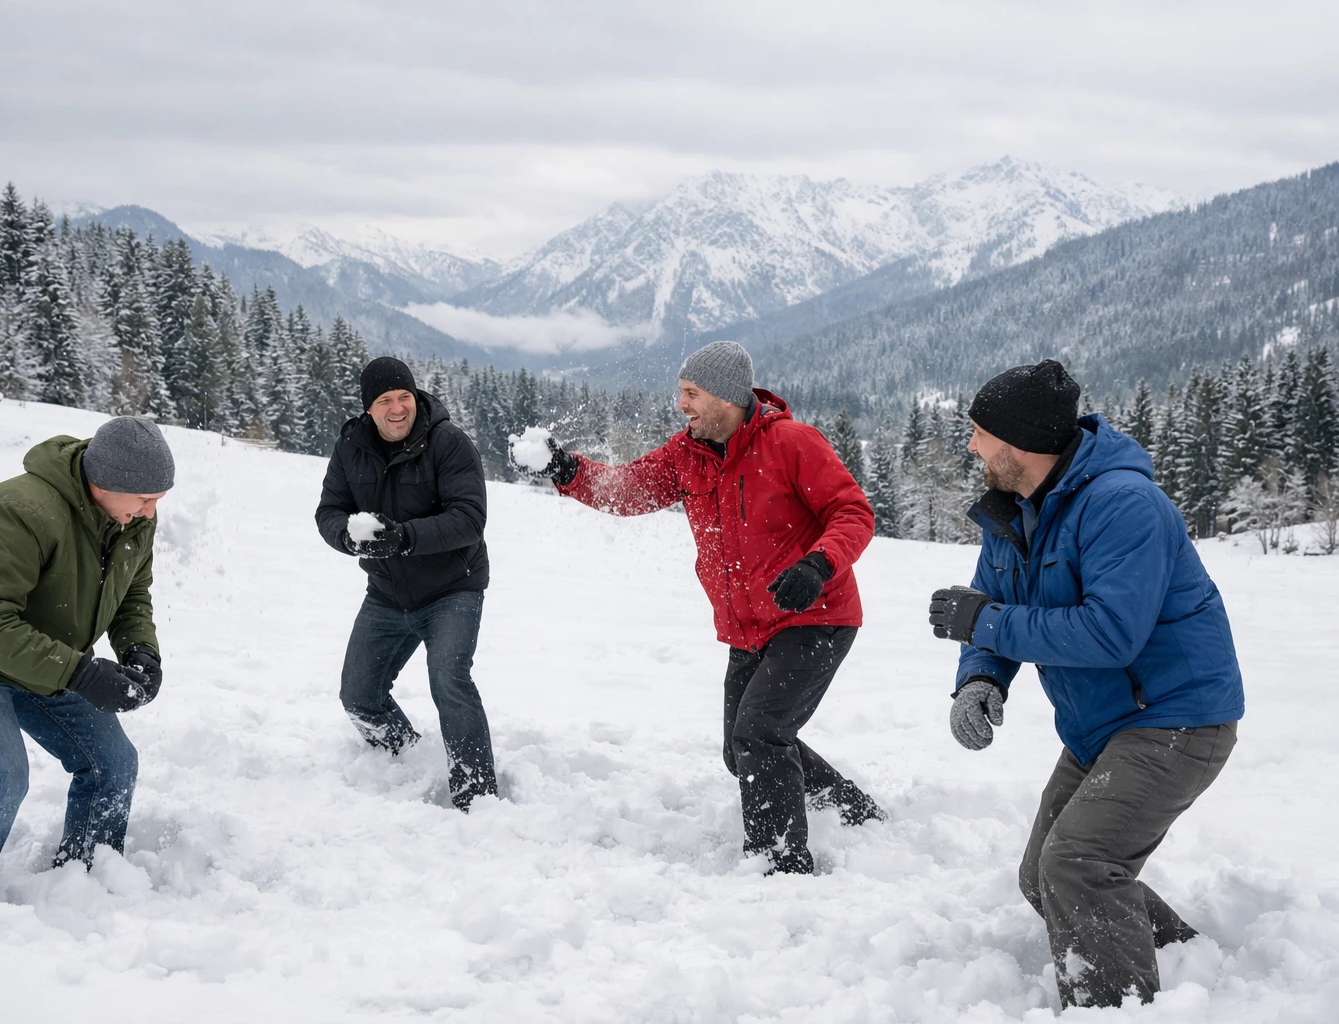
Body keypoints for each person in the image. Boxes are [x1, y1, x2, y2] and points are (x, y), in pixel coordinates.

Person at [928, 359, 1244, 1008]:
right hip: (1104, 722)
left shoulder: (1124, 507)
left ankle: (1115, 1008)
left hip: (1176, 720)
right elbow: (995, 600)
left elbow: (1108, 635)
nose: (971, 446)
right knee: (1043, 875)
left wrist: (986, 623)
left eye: (979, 433)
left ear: (1020, 444)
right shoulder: (1017, 507)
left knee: (1076, 864)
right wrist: (980, 677)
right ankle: (1183, 958)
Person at [523, 340, 882, 875]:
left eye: (692, 393)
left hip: (816, 615)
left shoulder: (791, 443)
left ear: (728, 397)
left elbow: (852, 512)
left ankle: (778, 864)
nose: (682, 404)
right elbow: (631, 489)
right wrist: (566, 468)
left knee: (758, 733)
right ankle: (851, 809)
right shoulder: (685, 455)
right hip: (748, 626)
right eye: (680, 393)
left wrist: (816, 566)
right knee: (741, 750)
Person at [0, 416, 175, 902]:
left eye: (158, 500)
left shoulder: (129, 520)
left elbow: (132, 593)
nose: (151, 513)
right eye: (145, 499)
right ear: (104, 483)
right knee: (0, 779)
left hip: (38, 651)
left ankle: (83, 878)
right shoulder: (23, 509)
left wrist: (141, 650)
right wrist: (81, 673)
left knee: (112, 763)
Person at [316, 356, 498, 811]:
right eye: (385, 401)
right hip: (387, 593)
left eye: (405, 397)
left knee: (449, 680)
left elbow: (469, 520)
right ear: (368, 409)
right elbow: (329, 511)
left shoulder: (449, 443)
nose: (398, 408)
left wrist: (403, 538)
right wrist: (349, 537)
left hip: (453, 587)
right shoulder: (350, 447)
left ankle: (477, 797)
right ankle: (408, 757)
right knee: (358, 695)